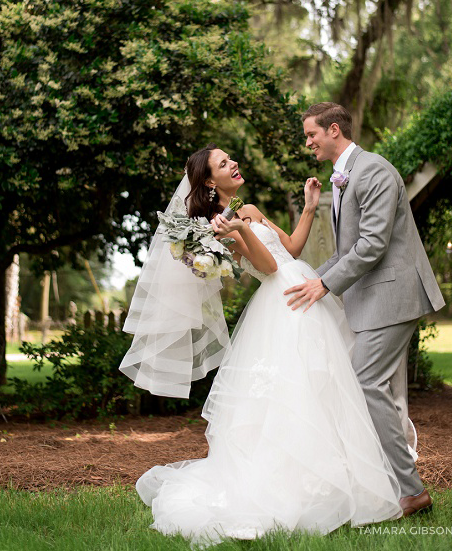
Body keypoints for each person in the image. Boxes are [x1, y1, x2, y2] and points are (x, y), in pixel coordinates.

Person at [121, 144, 402, 547]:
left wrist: (307, 208)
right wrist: (238, 231)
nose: (233, 164)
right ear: (208, 181)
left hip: (301, 289)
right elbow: (268, 269)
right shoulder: (219, 226)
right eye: (223, 163)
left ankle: (337, 478)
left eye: (230, 159)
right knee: (293, 391)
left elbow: (289, 250)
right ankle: (292, 485)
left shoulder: (247, 209)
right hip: (282, 305)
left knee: (321, 385)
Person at [285, 102, 445, 516]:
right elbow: (346, 251)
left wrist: (325, 284)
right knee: (369, 387)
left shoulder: (372, 169)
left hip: (394, 295)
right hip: (376, 298)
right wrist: (305, 280)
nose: (308, 142)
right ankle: (394, 483)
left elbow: (372, 245)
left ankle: (410, 490)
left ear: (334, 130)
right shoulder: (344, 177)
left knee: (365, 383)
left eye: (311, 135)